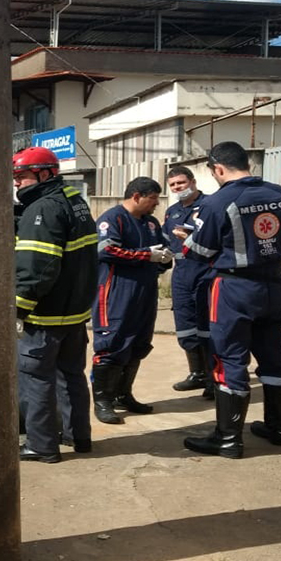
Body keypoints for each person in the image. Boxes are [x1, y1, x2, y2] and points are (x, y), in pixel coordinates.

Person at [181, 141, 281, 459]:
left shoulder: (218, 202)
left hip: (234, 289)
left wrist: (188, 240)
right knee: (275, 356)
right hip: (275, 285)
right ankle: (278, 428)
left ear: (218, 169)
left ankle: (228, 439)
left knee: (230, 359)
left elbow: (198, 253)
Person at [13, 146, 98, 463]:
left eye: (22, 176)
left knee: (37, 379)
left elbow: (38, 266)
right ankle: (79, 437)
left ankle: (41, 445)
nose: (18, 183)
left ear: (45, 173)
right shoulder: (74, 200)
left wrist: (20, 307)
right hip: (74, 312)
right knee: (71, 375)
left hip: (46, 314)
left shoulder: (44, 210)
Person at [91, 177, 172, 424]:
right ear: (136, 196)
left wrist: (164, 258)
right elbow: (106, 250)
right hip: (116, 291)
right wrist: (146, 255)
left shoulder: (150, 223)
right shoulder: (112, 218)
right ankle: (103, 400)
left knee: (138, 343)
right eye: (153, 199)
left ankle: (123, 394)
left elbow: (162, 248)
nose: (156, 204)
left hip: (145, 291)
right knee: (111, 343)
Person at [162, 167, 215, 400]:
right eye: (173, 185)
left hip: (205, 270)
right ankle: (197, 373)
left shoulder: (210, 205)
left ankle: (214, 378)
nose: (177, 188)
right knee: (185, 324)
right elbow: (166, 240)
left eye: (181, 183)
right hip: (181, 272)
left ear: (192, 182)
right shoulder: (172, 211)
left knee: (209, 327)